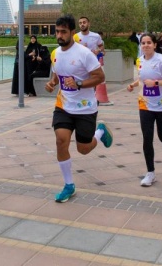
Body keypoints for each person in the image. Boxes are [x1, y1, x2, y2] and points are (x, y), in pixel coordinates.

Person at [45, 15, 113, 203]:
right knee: (61, 140)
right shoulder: (55, 54)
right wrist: (51, 83)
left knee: (83, 149)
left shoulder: (84, 53)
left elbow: (100, 76)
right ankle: (69, 185)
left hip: (85, 109)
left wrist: (79, 83)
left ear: (72, 33)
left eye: (63, 32)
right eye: (57, 31)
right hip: (63, 106)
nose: (59, 35)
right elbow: (57, 76)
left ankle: (100, 132)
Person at [127, 33, 162, 187]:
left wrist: (156, 83)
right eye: (143, 43)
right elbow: (143, 79)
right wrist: (133, 84)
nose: (146, 45)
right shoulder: (140, 61)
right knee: (147, 138)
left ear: (155, 45)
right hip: (145, 105)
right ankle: (150, 173)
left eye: (149, 42)